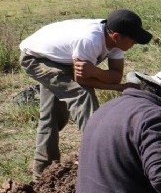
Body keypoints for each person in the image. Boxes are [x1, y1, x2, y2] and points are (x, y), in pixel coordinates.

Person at [19, 9, 152, 177]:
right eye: (132, 40)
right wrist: (118, 87)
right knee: (83, 96)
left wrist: (94, 71)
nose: (134, 44)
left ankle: (43, 173)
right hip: (37, 58)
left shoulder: (114, 42)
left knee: (52, 115)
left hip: (62, 58)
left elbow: (115, 77)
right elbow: (82, 81)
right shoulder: (90, 41)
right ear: (116, 36)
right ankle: (106, 156)